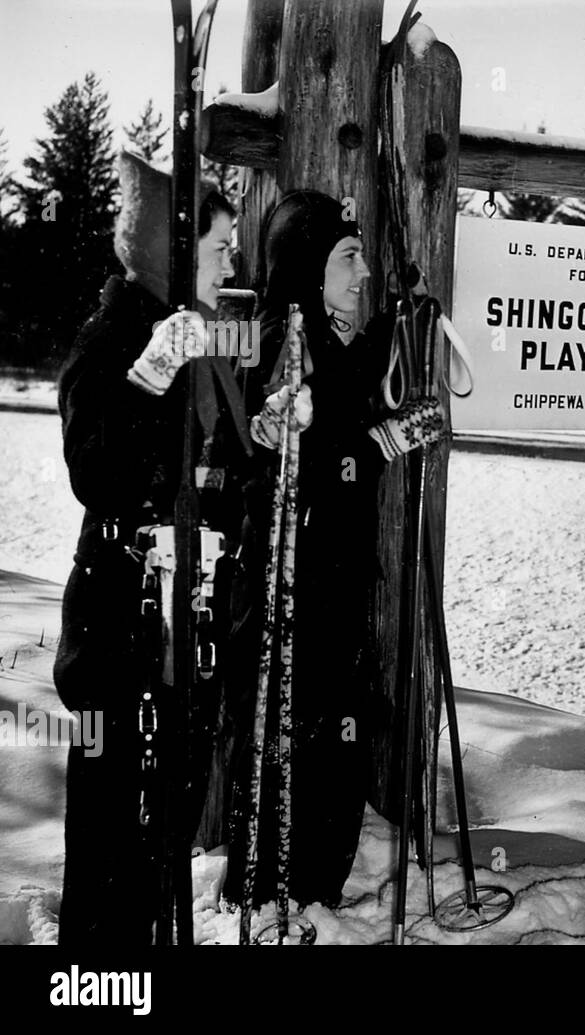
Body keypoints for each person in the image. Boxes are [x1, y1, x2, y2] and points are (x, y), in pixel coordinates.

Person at [223, 190, 446, 911]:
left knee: (336, 766)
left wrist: (406, 334)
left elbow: (354, 408)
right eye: (347, 259)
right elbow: (290, 450)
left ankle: (313, 900)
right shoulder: (273, 350)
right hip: (283, 606)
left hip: (337, 603)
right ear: (307, 272)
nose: (362, 274)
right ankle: (265, 904)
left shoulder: (337, 351)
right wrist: (372, 437)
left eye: (362, 260)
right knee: (285, 769)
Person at [54, 150, 248, 945]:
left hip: (182, 625)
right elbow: (96, 468)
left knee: (162, 830)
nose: (231, 261)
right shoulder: (109, 342)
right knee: (112, 839)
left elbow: (220, 473)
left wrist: (267, 437)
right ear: (174, 253)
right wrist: (148, 374)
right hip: (118, 621)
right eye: (217, 247)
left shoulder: (201, 338)